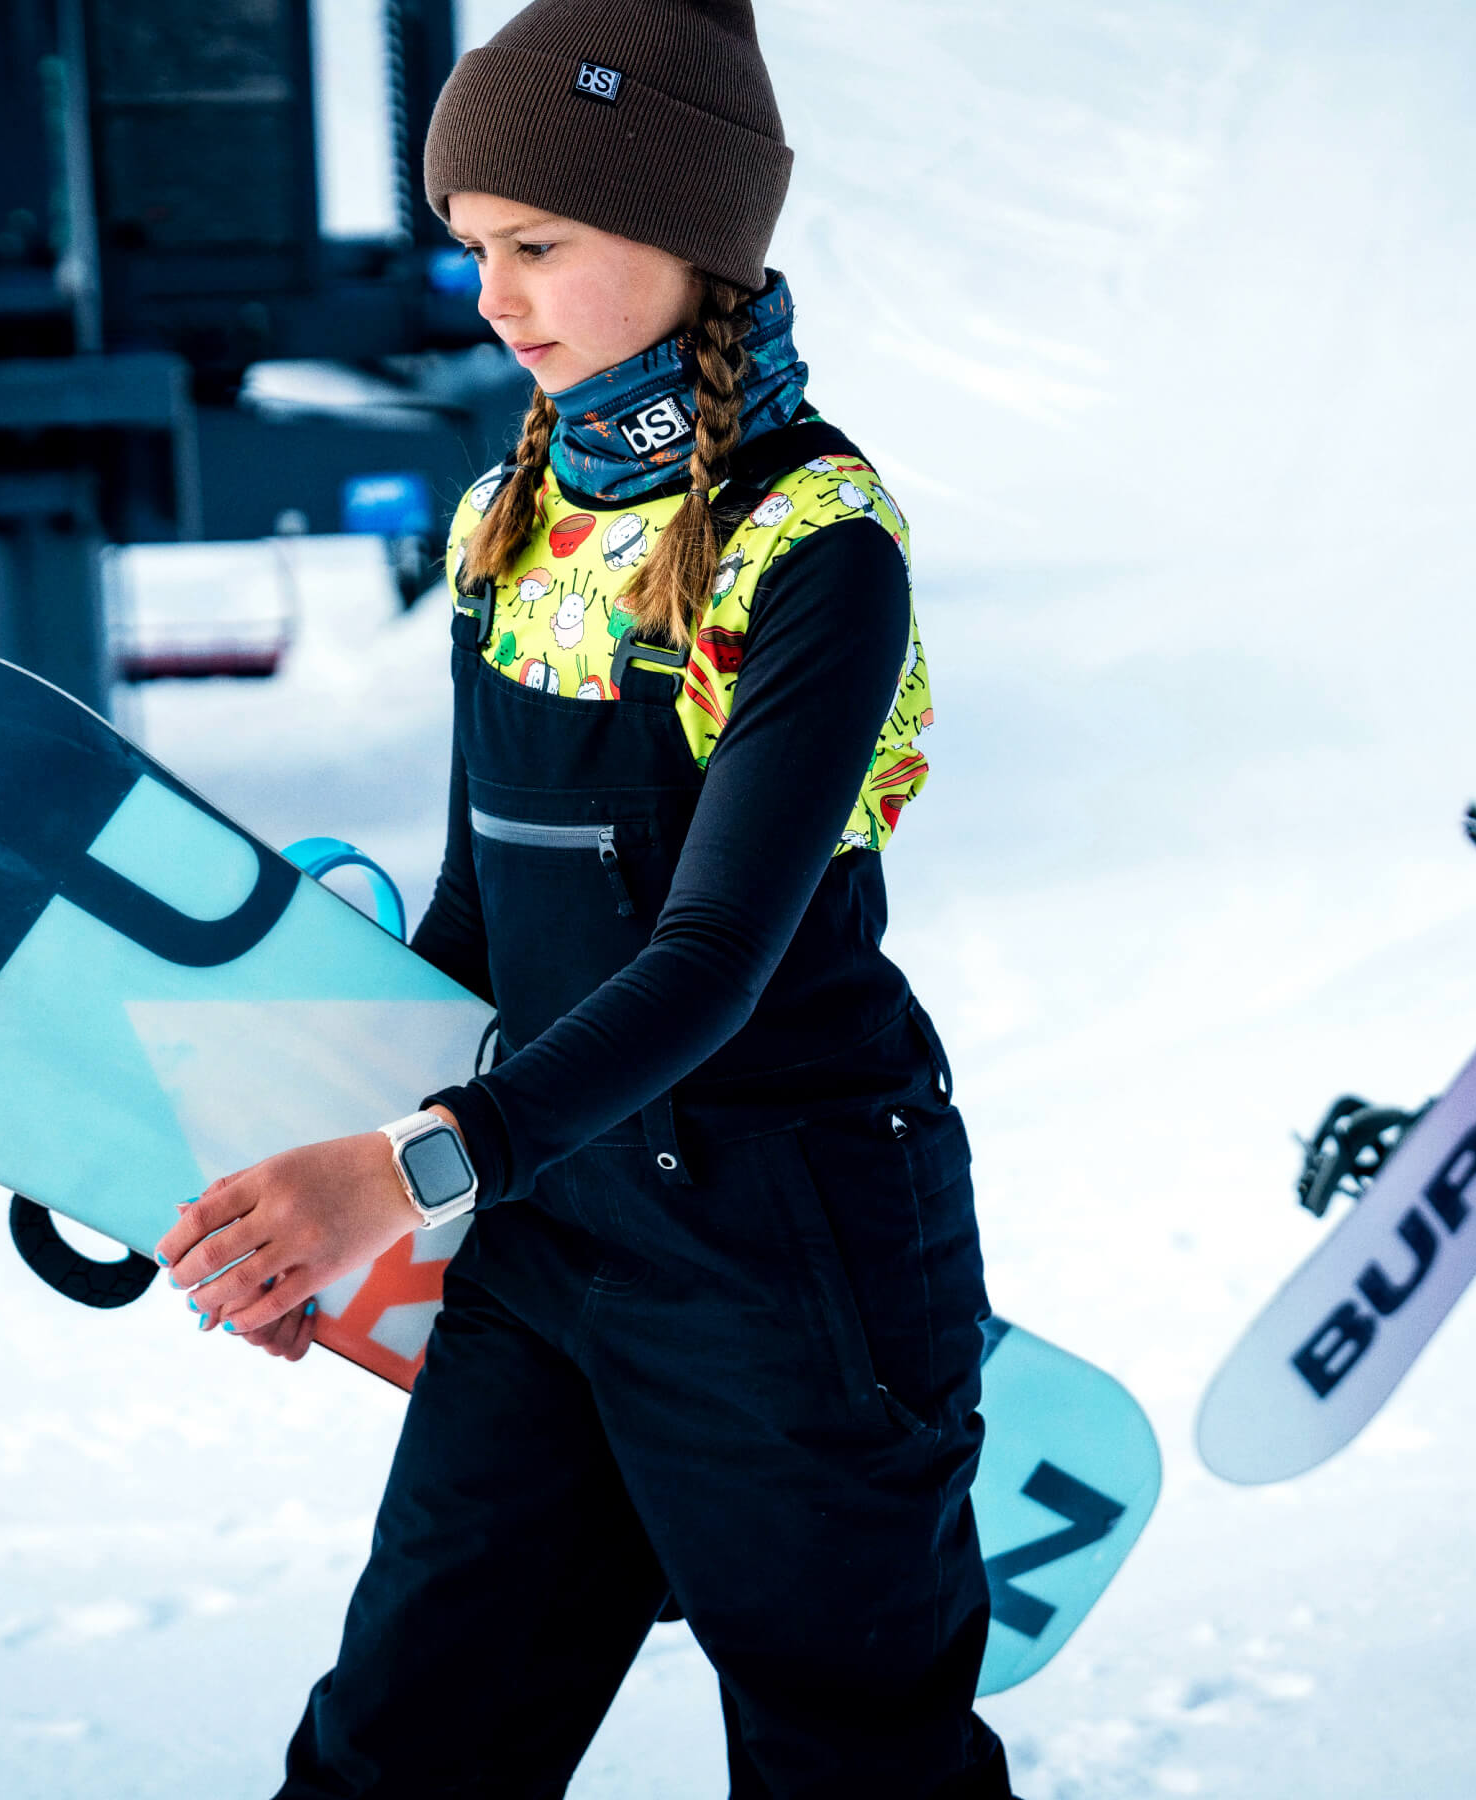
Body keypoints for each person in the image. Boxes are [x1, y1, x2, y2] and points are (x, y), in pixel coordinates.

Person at [156, 4, 1011, 1793]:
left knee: (850, 1762)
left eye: (535, 244)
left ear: (692, 235)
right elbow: (486, 915)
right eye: (476, 249)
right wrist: (327, 1153)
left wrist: (402, 1168)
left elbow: (709, 963)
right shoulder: (509, 517)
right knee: (403, 1743)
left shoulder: (816, 542)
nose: (493, 299)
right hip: (550, 1238)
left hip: (792, 1262)